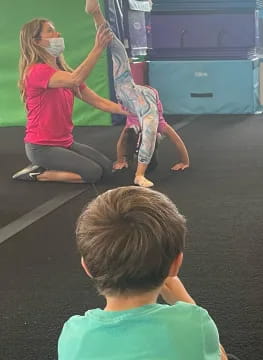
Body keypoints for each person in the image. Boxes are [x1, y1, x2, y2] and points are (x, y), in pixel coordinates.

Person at [58, 186, 228, 360]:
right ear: (176, 264)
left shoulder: (74, 333)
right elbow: (219, 356)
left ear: (87, 267)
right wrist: (188, 304)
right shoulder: (194, 323)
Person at [85, 0, 189, 187]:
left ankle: (96, 14)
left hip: (127, 93)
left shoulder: (132, 127)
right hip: (138, 97)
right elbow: (176, 140)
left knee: (117, 50)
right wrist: (185, 161)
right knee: (150, 124)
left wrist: (121, 160)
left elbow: (123, 141)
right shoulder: (158, 125)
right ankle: (139, 174)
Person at [13, 18, 129, 183]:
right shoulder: (36, 72)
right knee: (93, 173)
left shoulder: (63, 73)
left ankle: (51, 165)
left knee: (106, 167)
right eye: (50, 31)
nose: (57, 33)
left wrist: (130, 110)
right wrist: (98, 48)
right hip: (41, 147)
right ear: (36, 41)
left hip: (65, 142)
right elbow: (76, 79)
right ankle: (38, 173)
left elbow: (99, 101)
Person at [113, 85, 190, 175]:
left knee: (151, 139)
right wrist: (120, 160)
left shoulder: (158, 123)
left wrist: (184, 162)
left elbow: (177, 141)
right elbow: (121, 142)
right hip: (137, 111)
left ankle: (154, 138)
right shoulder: (133, 120)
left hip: (150, 109)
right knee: (128, 135)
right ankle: (143, 142)